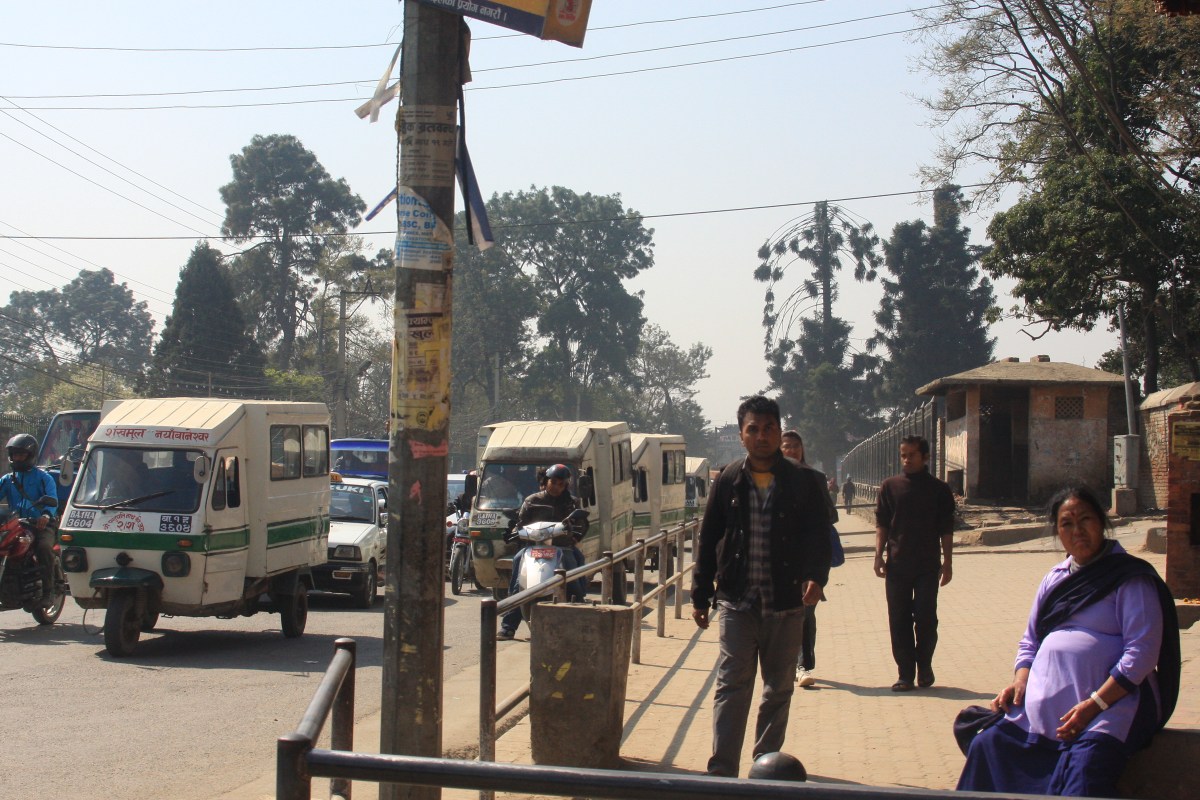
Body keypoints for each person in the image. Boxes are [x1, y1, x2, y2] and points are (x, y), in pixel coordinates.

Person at [957, 486, 1180, 797]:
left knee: (1085, 772)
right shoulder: (1055, 578)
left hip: (1111, 707)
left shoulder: (1131, 578)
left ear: (1102, 522)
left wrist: (1094, 705)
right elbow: (1030, 641)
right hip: (1043, 712)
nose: (1077, 531)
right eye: (1067, 524)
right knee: (988, 745)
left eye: (1085, 519)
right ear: (1057, 532)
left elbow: (1141, 652)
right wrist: (1020, 681)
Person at [691, 396, 832, 777]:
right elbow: (709, 537)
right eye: (753, 429)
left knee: (778, 688)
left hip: (786, 601)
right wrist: (700, 594)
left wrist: (816, 576)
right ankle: (722, 770)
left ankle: (765, 767)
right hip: (737, 600)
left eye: (769, 428)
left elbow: (819, 534)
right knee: (732, 684)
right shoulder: (728, 480)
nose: (761, 436)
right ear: (741, 435)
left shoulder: (804, 481)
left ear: (779, 431)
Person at [873, 435, 954, 691]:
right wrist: (878, 555)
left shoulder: (939, 489)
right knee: (899, 620)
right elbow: (882, 524)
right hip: (897, 565)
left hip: (927, 566)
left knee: (926, 618)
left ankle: (925, 665)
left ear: (925, 457)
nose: (906, 460)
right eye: (903, 455)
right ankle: (905, 674)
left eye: (912, 455)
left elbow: (946, 529)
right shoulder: (890, 487)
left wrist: (948, 562)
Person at [496, 463, 586, 641]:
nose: (557, 487)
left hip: (562, 547)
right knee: (517, 574)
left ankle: (581, 611)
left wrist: (575, 535)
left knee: (574, 568)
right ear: (546, 481)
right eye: (554, 482)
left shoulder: (572, 502)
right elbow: (520, 522)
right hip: (533, 547)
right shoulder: (532, 501)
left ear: (566, 485)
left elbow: (581, 524)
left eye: (561, 484)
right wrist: (514, 531)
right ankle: (508, 626)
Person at [780, 429, 837, 689]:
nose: (791, 450)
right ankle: (785, 663)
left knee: (805, 611)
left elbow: (829, 517)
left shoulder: (815, 478)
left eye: (795, 445)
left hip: (807, 559)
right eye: (786, 446)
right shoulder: (769, 479)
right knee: (781, 614)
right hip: (778, 559)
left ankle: (802, 665)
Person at [0, 434, 59, 607]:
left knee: (44, 547)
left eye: (21, 454)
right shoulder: (7, 479)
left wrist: (45, 515)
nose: (17, 457)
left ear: (30, 455)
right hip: (16, 524)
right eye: (15, 454)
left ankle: (49, 592)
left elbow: (52, 499)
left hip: (41, 524)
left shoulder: (44, 478)